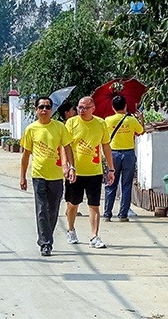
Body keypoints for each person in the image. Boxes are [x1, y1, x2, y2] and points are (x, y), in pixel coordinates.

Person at [19, 96, 76, 257]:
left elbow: (67, 147)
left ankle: (46, 237)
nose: (44, 110)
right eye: (41, 107)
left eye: (47, 107)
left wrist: (71, 167)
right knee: (42, 210)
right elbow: (25, 155)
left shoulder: (59, 127)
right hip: (39, 175)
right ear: (36, 110)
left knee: (53, 210)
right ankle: (45, 243)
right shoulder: (31, 129)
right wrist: (22, 177)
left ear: (52, 110)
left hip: (56, 176)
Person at [64, 96, 115, 249]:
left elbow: (106, 146)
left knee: (94, 204)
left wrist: (110, 169)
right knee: (73, 203)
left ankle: (94, 236)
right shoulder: (71, 123)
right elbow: (65, 146)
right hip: (76, 171)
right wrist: (66, 167)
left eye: (85, 108)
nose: (82, 110)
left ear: (93, 108)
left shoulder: (100, 124)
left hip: (94, 171)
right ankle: (71, 229)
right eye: (79, 107)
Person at [103, 94, 144, 222]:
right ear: (125, 106)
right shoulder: (131, 120)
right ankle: (123, 215)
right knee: (126, 185)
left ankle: (107, 214)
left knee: (111, 184)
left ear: (113, 107)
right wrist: (141, 118)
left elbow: (103, 137)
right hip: (128, 155)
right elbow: (141, 131)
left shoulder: (107, 120)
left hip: (113, 154)